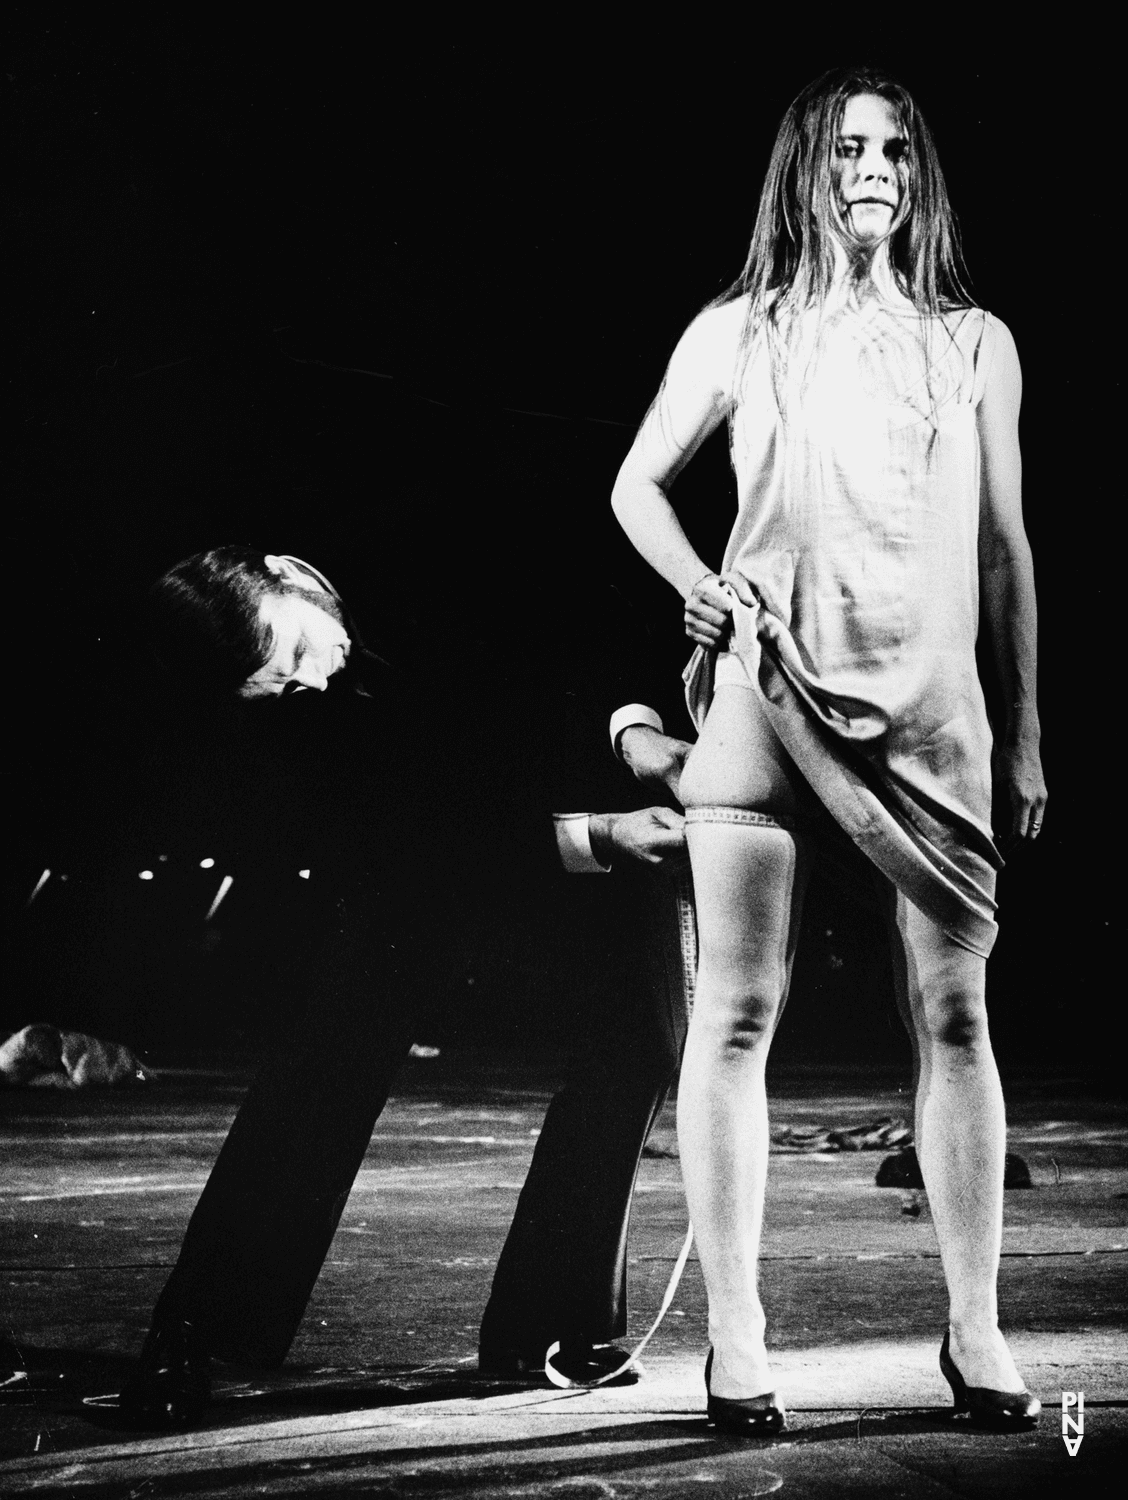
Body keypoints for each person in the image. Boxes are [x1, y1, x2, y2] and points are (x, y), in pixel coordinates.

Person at [610, 66, 1046, 1434]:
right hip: (769, 697)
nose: (875, 168)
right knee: (737, 1016)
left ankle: (975, 1331)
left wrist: (1026, 723)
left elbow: (1005, 550)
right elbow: (632, 484)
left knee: (959, 1016)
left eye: (897, 150)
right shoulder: (740, 333)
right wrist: (695, 580)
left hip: (933, 715)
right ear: (807, 166)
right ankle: (737, 1340)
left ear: (917, 176)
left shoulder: (975, 341)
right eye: (851, 147)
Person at [115, 545, 694, 1425]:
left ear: (288, 577)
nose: (313, 682)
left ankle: (551, 1328)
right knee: (332, 1044)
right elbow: (423, 840)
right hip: (444, 853)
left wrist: (634, 738)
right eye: (283, 690)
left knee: (642, 1042)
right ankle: (197, 1327)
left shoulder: (433, 563)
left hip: (596, 769)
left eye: (300, 655)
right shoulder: (296, 716)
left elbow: (582, 635)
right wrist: (595, 836)